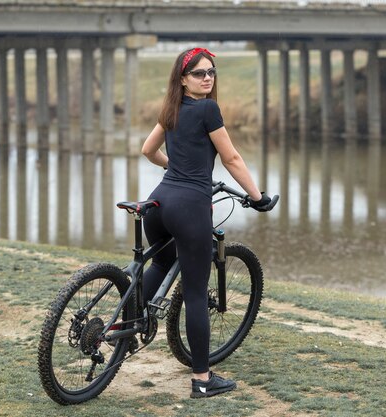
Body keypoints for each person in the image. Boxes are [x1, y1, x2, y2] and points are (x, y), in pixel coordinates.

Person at [140, 47, 273, 399]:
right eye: (199, 73)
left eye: (211, 71)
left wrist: (175, 167)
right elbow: (230, 157)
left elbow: (147, 150)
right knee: (197, 293)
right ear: (183, 80)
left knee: (161, 261)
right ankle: (201, 379)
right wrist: (257, 196)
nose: (207, 78)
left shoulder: (171, 108)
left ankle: (130, 322)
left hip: (158, 202)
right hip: (190, 207)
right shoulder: (207, 109)